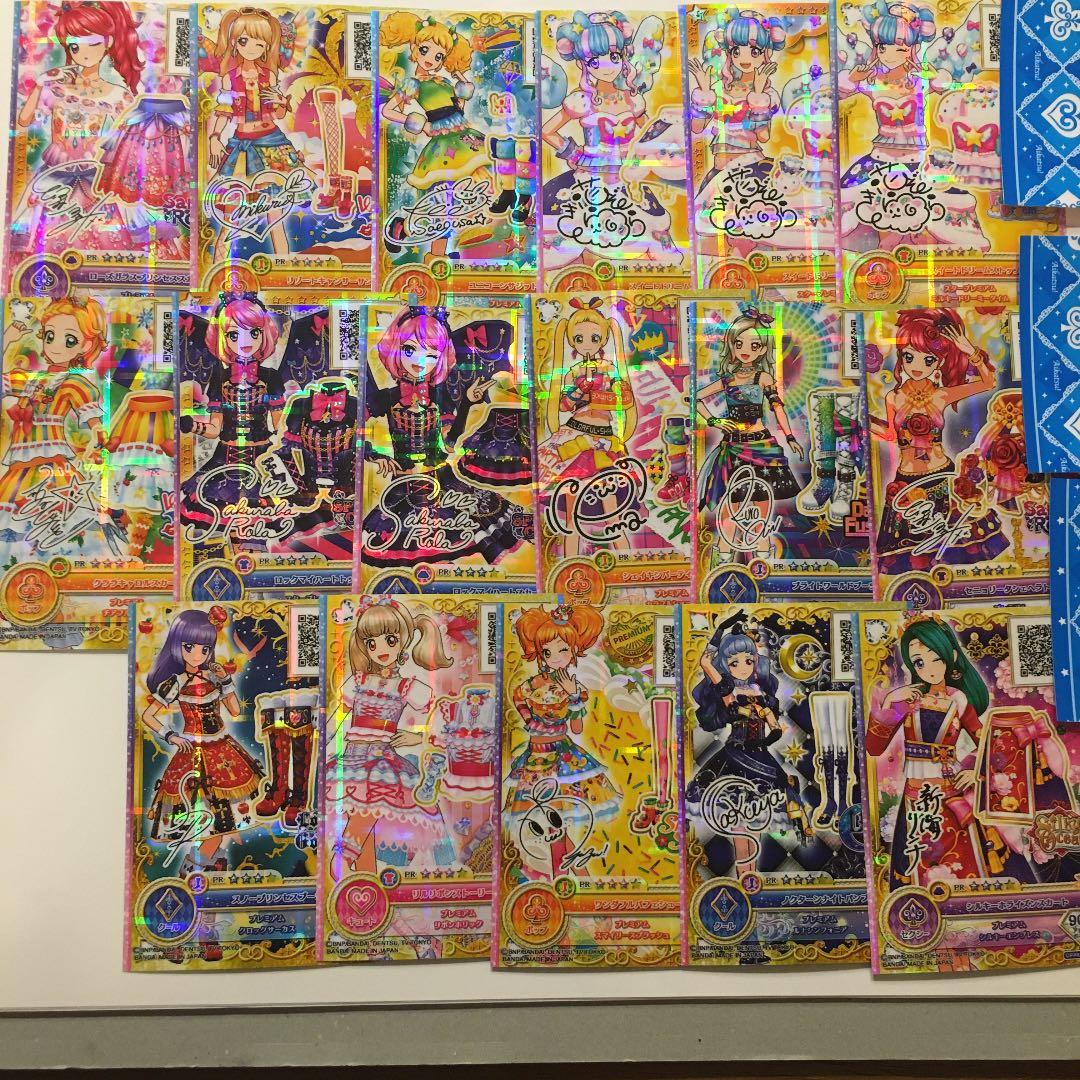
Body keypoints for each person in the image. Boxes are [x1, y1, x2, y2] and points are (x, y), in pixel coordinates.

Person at [865, 615, 1033, 887]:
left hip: (949, 790)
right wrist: (889, 702)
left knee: (965, 859)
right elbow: (874, 748)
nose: (929, 668)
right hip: (915, 794)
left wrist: (974, 770)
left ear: (951, 656)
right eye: (919, 662)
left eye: (936, 658)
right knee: (916, 860)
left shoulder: (959, 699)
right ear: (911, 665)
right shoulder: (908, 699)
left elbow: (987, 742)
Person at [869, 308, 1008, 573]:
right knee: (914, 553)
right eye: (909, 356)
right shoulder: (893, 397)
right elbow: (890, 435)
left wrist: (969, 350)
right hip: (907, 480)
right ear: (901, 356)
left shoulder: (941, 395)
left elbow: (988, 383)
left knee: (950, 548)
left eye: (928, 360)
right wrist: (865, 422)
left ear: (939, 362)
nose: (917, 366)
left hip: (942, 476)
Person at [326, 597, 455, 879]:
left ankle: (344, 856)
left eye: (390, 640)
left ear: (404, 641)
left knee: (368, 809)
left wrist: (417, 737)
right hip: (351, 758)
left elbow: (443, 717)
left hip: (381, 759)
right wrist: (320, 747)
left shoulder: (408, 686)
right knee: (361, 815)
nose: (381, 649)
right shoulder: (357, 682)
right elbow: (336, 720)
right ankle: (363, 874)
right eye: (372, 644)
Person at [503, 603, 620, 878]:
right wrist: (528, 719)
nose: (555, 657)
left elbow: (577, 728)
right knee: (544, 821)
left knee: (558, 821)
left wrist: (573, 695)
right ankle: (567, 874)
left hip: (563, 756)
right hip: (535, 757)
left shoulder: (576, 688)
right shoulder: (531, 685)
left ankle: (569, 875)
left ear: (574, 650)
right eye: (548, 651)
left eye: (563, 650)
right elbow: (518, 698)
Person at [696, 306, 803, 557]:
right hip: (734, 446)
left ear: (763, 350)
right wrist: (714, 421)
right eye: (739, 344)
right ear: (732, 346)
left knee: (763, 497)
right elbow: (694, 398)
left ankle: (761, 542)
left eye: (754, 346)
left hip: (762, 445)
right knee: (733, 497)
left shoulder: (763, 378)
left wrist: (790, 437)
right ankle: (726, 545)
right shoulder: (728, 380)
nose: (746, 350)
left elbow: (778, 408)